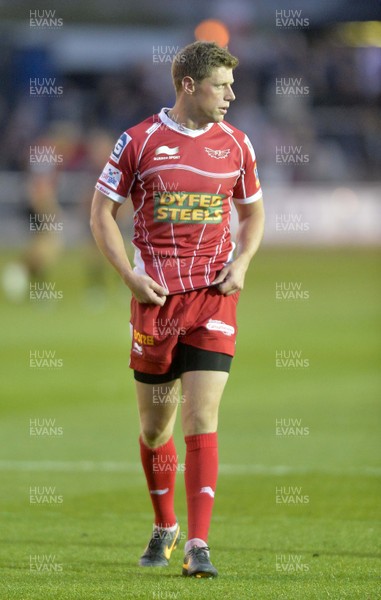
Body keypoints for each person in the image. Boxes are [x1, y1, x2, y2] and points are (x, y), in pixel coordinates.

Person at [90, 41, 265, 578]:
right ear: (189, 85)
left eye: (233, 85)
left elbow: (253, 213)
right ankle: (165, 524)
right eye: (221, 85)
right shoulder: (138, 141)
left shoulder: (236, 144)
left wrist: (243, 264)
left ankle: (198, 545)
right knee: (154, 429)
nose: (232, 95)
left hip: (212, 299)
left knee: (201, 418)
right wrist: (129, 276)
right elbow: (102, 215)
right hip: (156, 303)